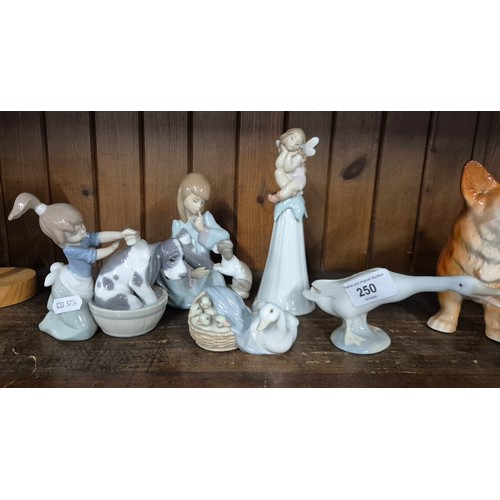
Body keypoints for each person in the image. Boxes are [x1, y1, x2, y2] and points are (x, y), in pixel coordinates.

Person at [8, 192, 138, 340]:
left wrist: (121, 234)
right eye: (75, 231)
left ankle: (67, 315)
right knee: (86, 329)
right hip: (70, 289)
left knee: (95, 316)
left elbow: (98, 236)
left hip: (82, 284)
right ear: (60, 238)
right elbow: (93, 255)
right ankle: (52, 323)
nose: (82, 230)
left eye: (81, 224)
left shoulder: (82, 238)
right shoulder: (70, 249)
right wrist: (113, 247)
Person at [254, 128, 318, 316]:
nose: (295, 142)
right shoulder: (286, 154)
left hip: (298, 183)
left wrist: (289, 152)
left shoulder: (297, 157)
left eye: (298, 141)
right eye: (292, 138)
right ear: (284, 139)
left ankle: (280, 196)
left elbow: (288, 168)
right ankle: (284, 194)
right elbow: (279, 166)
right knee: (278, 172)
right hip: (289, 192)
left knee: (286, 178)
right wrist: (284, 151)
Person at [158, 173, 232, 309]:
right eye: (195, 200)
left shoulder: (206, 218)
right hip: (188, 270)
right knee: (179, 286)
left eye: (202, 202)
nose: (199, 206)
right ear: (183, 198)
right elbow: (175, 254)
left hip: (205, 268)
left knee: (215, 281)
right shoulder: (178, 225)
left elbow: (224, 235)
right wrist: (190, 273)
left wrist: (203, 229)